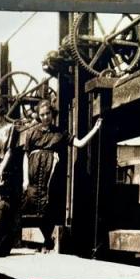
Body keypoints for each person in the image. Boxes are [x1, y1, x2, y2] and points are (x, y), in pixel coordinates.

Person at [18, 100, 96, 252]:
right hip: (34, 177)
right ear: (38, 116)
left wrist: (95, 129)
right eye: (42, 114)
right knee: (32, 206)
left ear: (52, 114)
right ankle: (43, 239)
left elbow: (79, 143)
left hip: (50, 177)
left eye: (48, 114)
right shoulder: (32, 133)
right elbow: (25, 157)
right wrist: (25, 179)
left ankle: (48, 241)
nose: (45, 117)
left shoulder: (60, 133)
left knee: (49, 207)